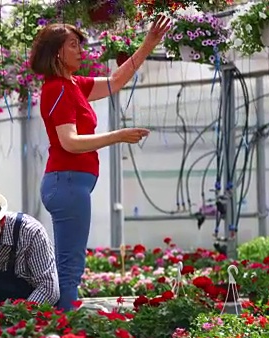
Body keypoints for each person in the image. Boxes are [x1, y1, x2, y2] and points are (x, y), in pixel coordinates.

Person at [29, 16, 171, 311]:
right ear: (57, 52)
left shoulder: (73, 85)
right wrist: (118, 135)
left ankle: (60, 331)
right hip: (66, 182)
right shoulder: (57, 88)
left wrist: (148, 45)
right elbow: (69, 141)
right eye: (73, 45)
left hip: (69, 183)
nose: (81, 51)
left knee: (69, 266)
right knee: (70, 269)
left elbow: (115, 81)